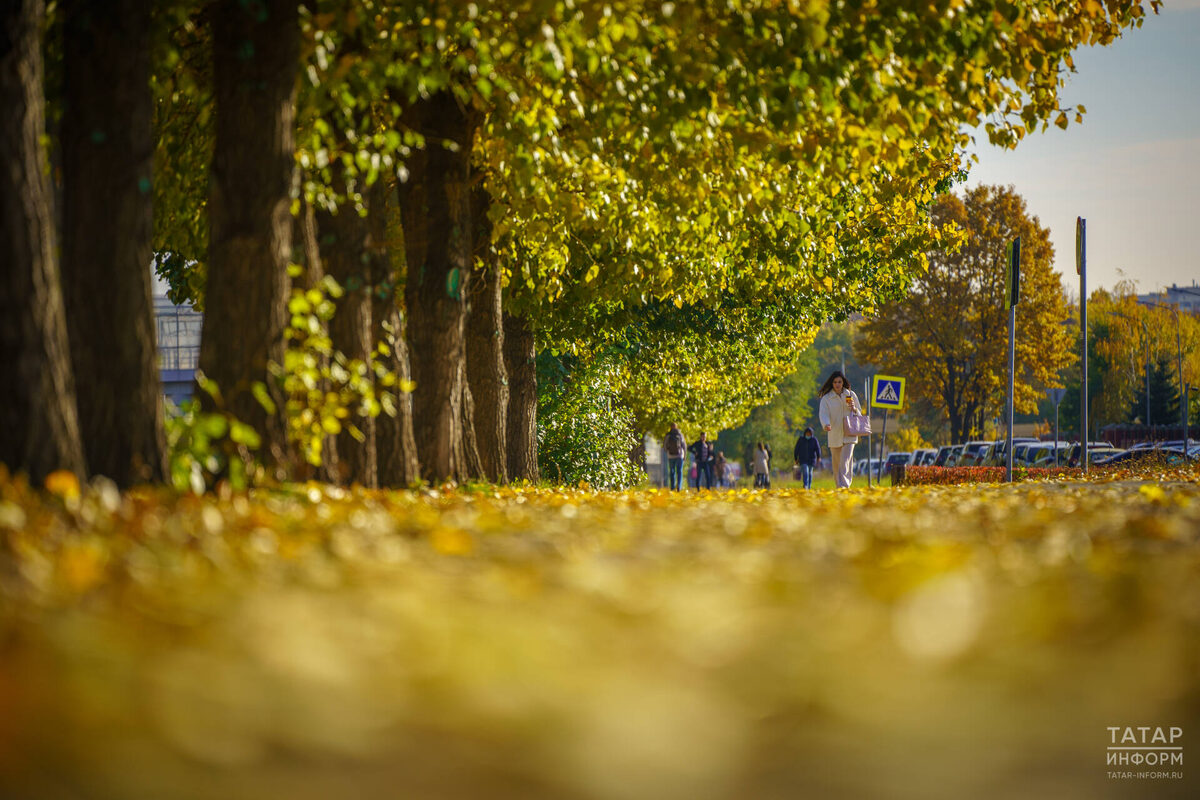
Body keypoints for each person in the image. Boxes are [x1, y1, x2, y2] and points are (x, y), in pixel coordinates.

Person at [818, 370, 863, 488]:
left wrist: (854, 408)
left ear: (843, 382)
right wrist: (826, 424)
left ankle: (845, 486)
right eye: (835, 382)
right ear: (831, 384)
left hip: (850, 434)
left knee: (845, 461)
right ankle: (839, 486)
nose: (837, 384)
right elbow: (823, 414)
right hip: (834, 434)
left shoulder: (850, 395)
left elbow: (859, 413)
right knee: (837, 464)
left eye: (839, 382)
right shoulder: (827, 399)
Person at [663, 422, 687, 491]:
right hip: (679, 455)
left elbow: (664, 445)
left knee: (672, 471)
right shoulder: (680, 435)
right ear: (676, 427)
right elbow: (684, 445)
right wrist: (684, 455)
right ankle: (679, 486)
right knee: (679, 471)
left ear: (670, 427)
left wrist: (667, 451)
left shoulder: (668, 435)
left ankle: (672, 487)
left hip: (671, 456)